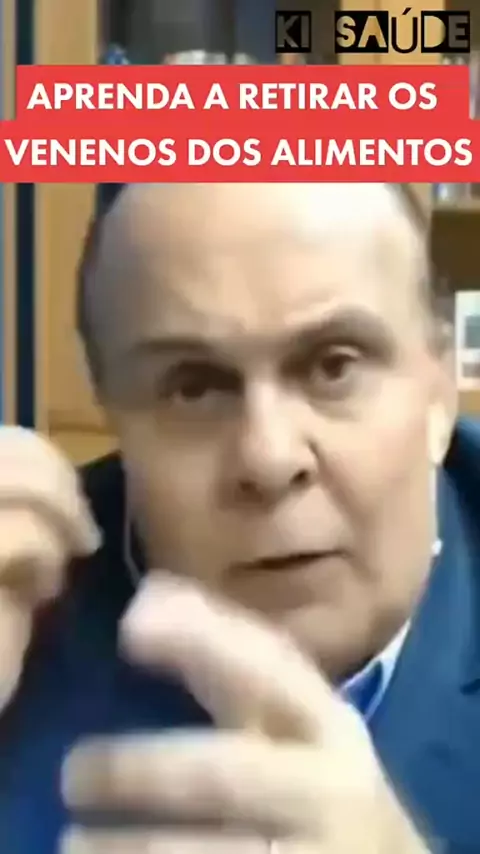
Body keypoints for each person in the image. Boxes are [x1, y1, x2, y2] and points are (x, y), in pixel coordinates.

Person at [0, 181, 475, 854]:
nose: (270, 459)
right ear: (115, 415)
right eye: (193, 387)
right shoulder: (27, 612)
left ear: (439, 393)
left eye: (333, 366)